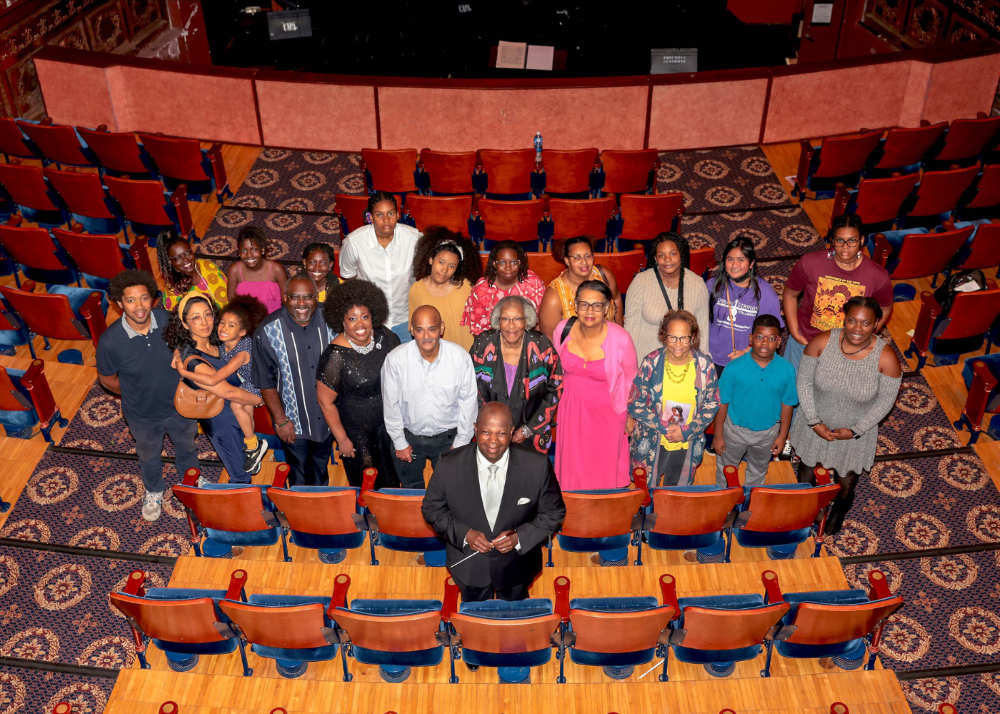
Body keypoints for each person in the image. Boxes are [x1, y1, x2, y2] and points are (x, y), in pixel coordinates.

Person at [421, 402, 566, 602]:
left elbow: (554, 513)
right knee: (475, 624)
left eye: (501, 433)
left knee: (514, 623)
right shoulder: (449, 464)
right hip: (468, 566)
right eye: (486, 432)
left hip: (517, 566)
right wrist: (465, 534)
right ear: (475, 429)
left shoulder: (537, 466)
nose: (493, 441)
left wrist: (519, 537)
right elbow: (431, 508)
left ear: (512, 431)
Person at [789, 296, 902, 534]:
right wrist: (813, 421)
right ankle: (808, 505)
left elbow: (885, 403)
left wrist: (855, 431)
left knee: (845, 480)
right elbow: (804, 383)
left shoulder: (887, 358)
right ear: (845, 318)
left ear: (877, 324)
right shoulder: (821, 342)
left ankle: (841, 507)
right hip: (815, 422)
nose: (857, 328)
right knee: (807, 470)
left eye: (865, 323)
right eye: (852, 320)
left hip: (855, 433)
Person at [97, 270, 199, 521]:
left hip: (180, 405)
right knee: (149, 455)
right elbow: (107, 379)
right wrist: (134, 392)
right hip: (142, 415)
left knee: (187, 446)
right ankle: (154, 490)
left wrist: (179, 353)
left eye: (144, 298)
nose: (139, 306)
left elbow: (185, 344)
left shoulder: (166, 319)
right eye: (131, 300)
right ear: (120, 304)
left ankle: (192, 481)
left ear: (152, 298)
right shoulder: (110, 342)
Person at [162, 294, 264, 485]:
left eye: (208, 314)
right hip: (222, 424)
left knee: (245, 461)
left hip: (239, 411)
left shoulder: (216, 338)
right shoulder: (193, 361)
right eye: (196, 318)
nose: (204, 322)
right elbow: (228, 392)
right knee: (241, 475)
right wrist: (260, 399)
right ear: (185, 324)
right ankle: (241, 509)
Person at [551, 280, 638, 490]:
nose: (590, 311)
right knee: (574, 463)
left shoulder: (620, 338)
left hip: (608, 411)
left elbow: (631, 378)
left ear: (606, 308)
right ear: (575, 304)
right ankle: (575, 507)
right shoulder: (563, 329)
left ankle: (605, 510)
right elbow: (554, 370)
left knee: (603, 464)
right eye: (584, 304)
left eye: (597, 305)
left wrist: (629, 414)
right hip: (571, 407)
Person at [252, 274, 337, 487]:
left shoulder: (333, 320)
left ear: (316, 298)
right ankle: (300, 513)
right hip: (293, 421)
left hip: (328, 417)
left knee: (320, 468)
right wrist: (281, 421)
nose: (301, 303)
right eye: (295, 297)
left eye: (308, 297)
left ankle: (321, 504)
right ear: (284, 298)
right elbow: (266, 381)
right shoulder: (267, 331)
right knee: (298, 475)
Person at [381, 305, 477, 488]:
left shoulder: (460, 358)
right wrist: (399, 441)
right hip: (409, 437)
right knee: (411, 489)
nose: (426, 336)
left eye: (432, 329)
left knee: (449, 490)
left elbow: (468, 403)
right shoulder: (395, 360)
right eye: (419, 330)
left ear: (442, 328)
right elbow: (390, 404)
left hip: (448, 438)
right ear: (411, 329)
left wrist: (461, 442)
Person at [317, 280, 400, 490]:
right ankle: (368, 520)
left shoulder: (386, 337)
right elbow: (325, 402)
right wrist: (342, 439)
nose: (360, 324)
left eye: (365, 317)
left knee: (391, 476)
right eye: (352, 319)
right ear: (342, 322)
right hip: (357, 433)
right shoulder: (335, 357)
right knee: (367, 483)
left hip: (387, 425)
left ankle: (390, 517)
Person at [782, 214, 893, 372]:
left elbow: (885, 307)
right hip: (806, 341)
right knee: (791, 389)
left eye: (852, 240)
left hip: (846, 350)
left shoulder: (878, 276)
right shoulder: (810, 263)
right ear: (833, 240)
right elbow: (790, 294)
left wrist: (866, 335)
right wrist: (795, 333)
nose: (845, 247)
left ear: (861, 240)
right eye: (840, 240)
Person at [627, 310, 720, 487]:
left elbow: (712, 403)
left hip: (687, 441)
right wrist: (664, 427)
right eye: (672, 337)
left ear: (692, 338)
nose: (678, 344)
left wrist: (686, 430)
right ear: (663, 336)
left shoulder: (705, 365)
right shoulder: (651, 363)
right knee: (646, 489)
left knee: (676, 491)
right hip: (652, 438)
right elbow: (635, 402)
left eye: (684, 338)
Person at [470, 295, 563, 454]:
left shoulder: (542, 346)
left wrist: (528, 429)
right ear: (498, 321)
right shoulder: (483, 344)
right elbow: (469, 387)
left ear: (527, 321)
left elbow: (555, 387)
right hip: (491, 435)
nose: (511, 325)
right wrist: (495, 427)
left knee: (527, 477)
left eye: (517, 319)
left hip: (532, 433)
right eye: (505, 318)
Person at [713, 314, 797, 487]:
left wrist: (782, 436)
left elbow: (787, 404)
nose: (765, 343)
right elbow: (722, 403)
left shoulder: (787, 370)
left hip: (767, 434)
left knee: (758, 468)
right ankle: (723, 496)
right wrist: (718, 435)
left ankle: (752, 497)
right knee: (726, 467)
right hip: (734, 431)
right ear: (751, 338)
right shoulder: (734, 367)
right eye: (759, 337)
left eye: (771, 338)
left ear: (779, 341)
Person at [339, 191, 421, 342]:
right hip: (370, 320)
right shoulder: (354, 242)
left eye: (390, 213)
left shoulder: (413, 238)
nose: (386, 220)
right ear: (370, 217)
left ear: (398, 214)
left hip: (405, 318)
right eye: (379, 215)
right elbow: (348, 276)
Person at [623, 232, 709, 362]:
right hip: (646, 360)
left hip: (683, 360)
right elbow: (631, 327)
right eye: (661, 255)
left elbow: (702, 329)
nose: (667, 259)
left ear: (681, 254)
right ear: (655, 258)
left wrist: (702, 363)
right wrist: (629, 362)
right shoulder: (641, 282)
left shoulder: (697, 284)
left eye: (673, 254)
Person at [705, 236, 783, 376]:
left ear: (751, 263)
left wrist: (748, 351)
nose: (734, 265)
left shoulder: (765, 294)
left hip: (745, 359)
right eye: (730, 259)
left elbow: (771, 333)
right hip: (711, 356)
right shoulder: (712, 286)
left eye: (741, 260)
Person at [408, 227, 481, 350]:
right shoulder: (417, 289)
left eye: (451, 266)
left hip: (466, 354)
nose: (444, 270)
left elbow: (478, 322)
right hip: (434, 357)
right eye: (441, 262)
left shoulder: (466, 286)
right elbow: (414, 328)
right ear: (431, 260)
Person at [539, 236, 623, 340]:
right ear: (566, 260)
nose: (584, 262)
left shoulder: (604, 276)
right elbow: (550, 339)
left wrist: (621, 334)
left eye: (588, 256)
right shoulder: (554, 296)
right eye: (577, 257)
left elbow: (616, 299)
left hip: (610, 343)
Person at [461, 240, 545, 337]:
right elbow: (477, 331)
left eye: (513, 262)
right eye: (502, 262)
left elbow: (543, 319)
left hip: (528, 337)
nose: (508, 267)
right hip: (495, 341)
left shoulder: (532, 282)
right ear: (494, 264)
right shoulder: (482, 288)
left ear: (519, 262)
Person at [156, 232, 228, 311]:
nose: (185, 260)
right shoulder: (173, 295)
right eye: (178, 258)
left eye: (187, 253)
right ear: (170, 261)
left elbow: (228, 289)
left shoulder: (208, 266)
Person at [226, 226, 286, 313]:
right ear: (239, 253)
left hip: (272, 317)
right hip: (246, 318)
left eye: (254, 249)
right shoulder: (234, 270)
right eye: (244, 251)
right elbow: (231, 299)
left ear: (262, 250)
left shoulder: (276, 269)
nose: (249, 255)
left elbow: (287, 298)